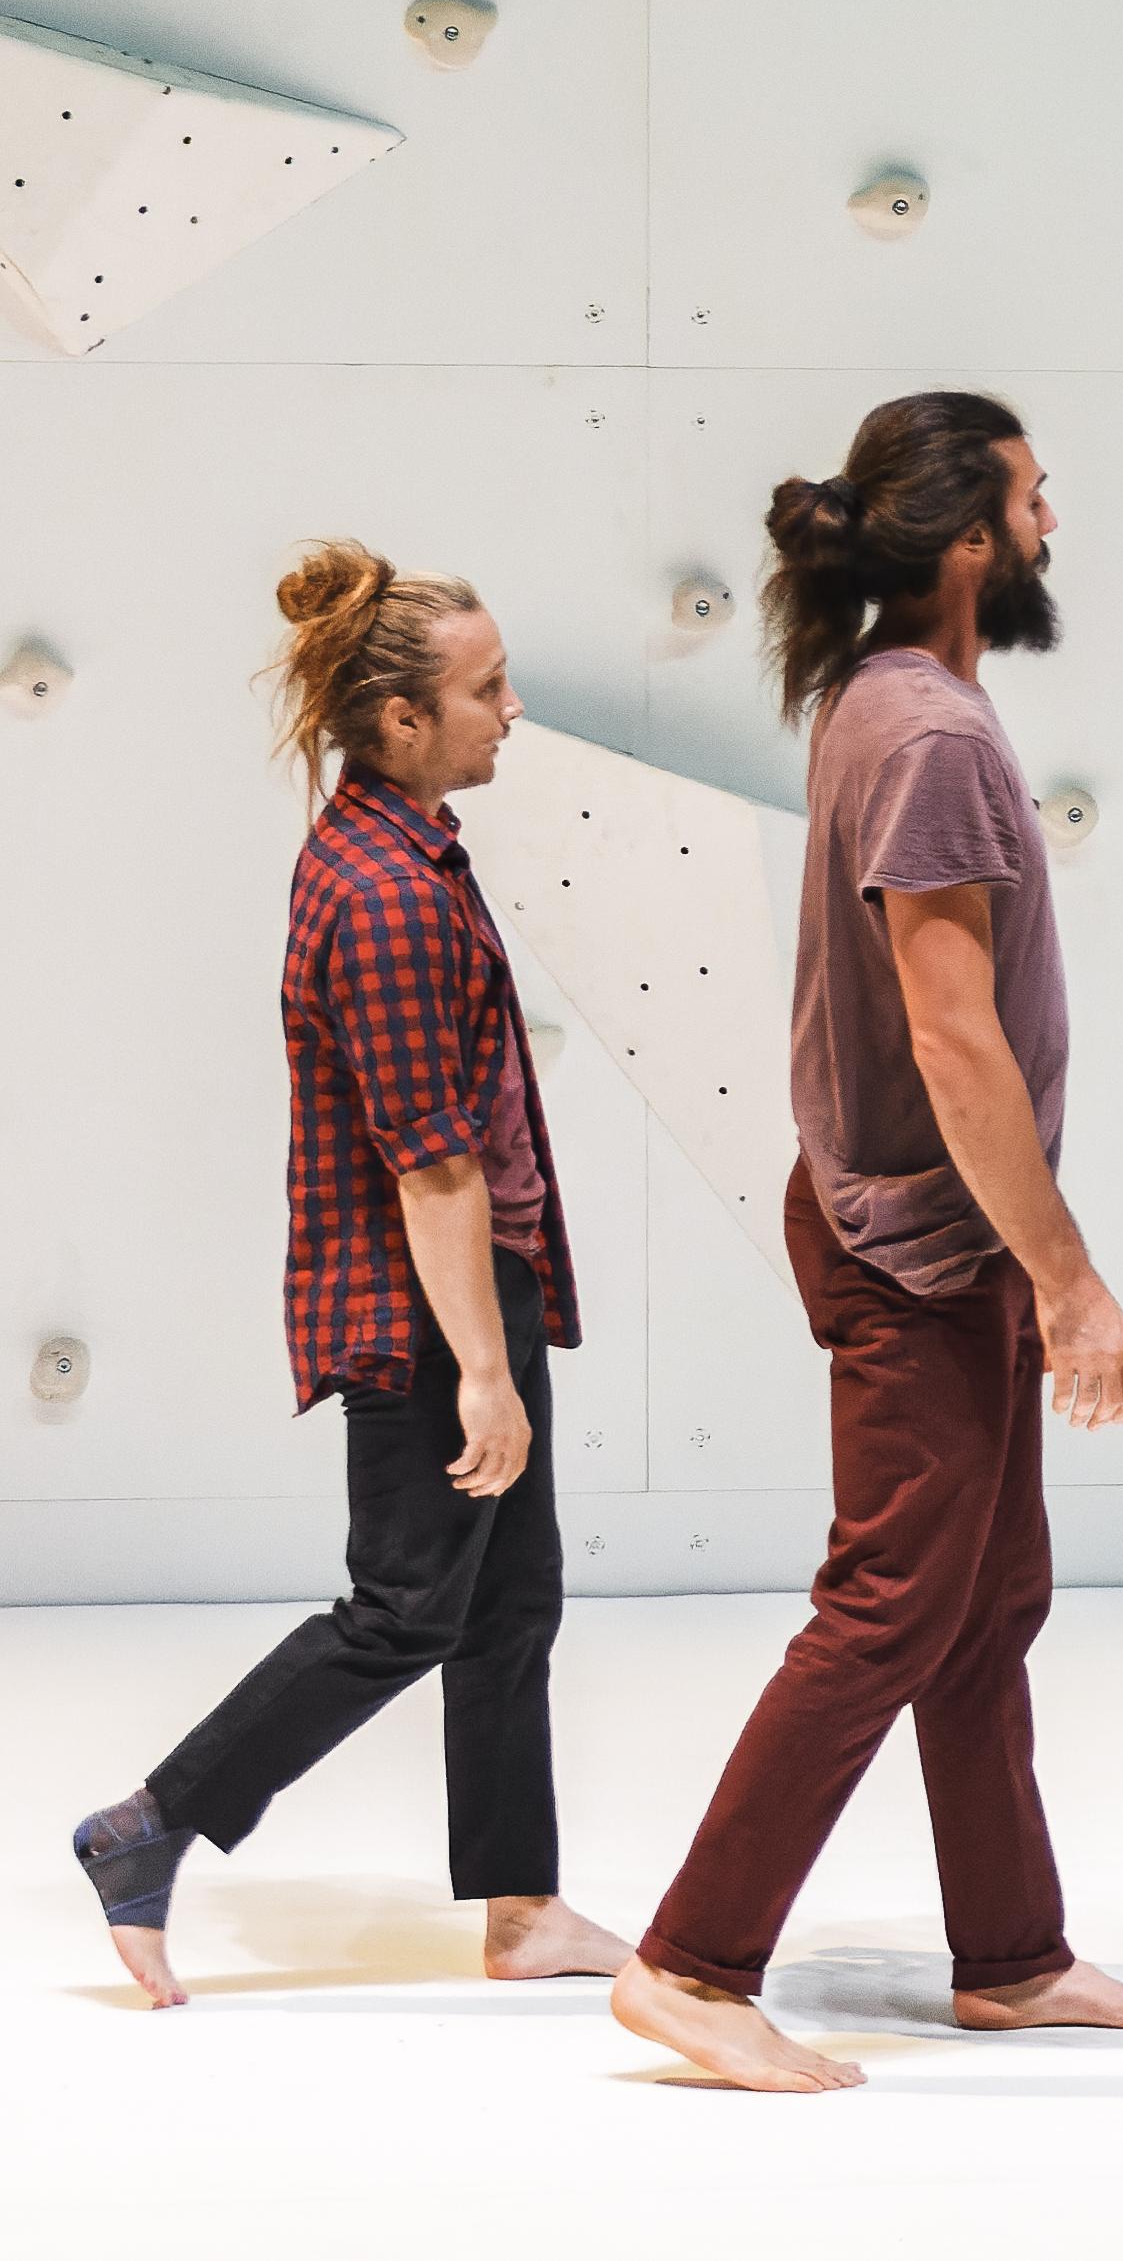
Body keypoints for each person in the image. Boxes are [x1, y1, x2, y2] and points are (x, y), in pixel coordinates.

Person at [612, 394, 1123, 2090]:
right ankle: (689, 1963)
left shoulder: (892, 698)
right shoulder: (931, 734)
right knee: (889, 1603)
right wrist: (1070, 1282)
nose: (1050, 527)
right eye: (1032, 500)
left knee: (987, 1595)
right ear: (965, 538)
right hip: (922, 1247)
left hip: (927, 1234)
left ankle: (1010, 1957)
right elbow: (954, 1039)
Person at [68, 545, 626, 2006]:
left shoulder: (412, 847)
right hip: (425, 1313)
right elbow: (429, 1164)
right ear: (398, 721)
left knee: (512, 1599)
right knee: (406, 1606)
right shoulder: (385, 893)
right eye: (485, 688)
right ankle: (149, 1825)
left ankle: (523, 1907)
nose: (512, 709)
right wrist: (487, 1373)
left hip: (468, 1289)